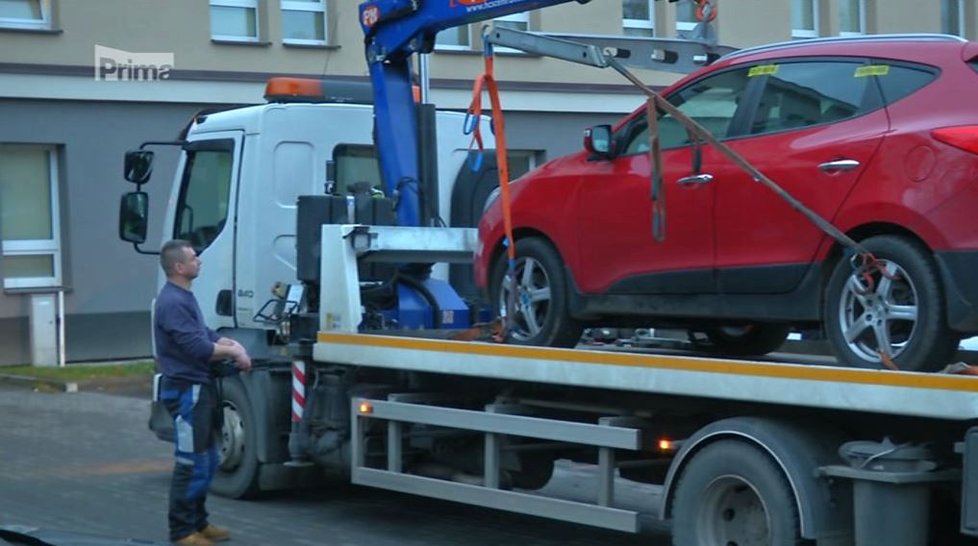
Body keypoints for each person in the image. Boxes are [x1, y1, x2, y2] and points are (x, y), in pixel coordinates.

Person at [155, 239, 252, 546]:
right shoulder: (172, 302)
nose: (200, 261)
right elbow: (197, 347)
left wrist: (226, 342)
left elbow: (202, 334)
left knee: (207, 460)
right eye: (194, 258)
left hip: (198, 390)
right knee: (191, 462)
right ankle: (182, 532)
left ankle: (199, 523)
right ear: (178, 267)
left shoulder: (183, 297)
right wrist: (233, 352)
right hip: (187, 392)